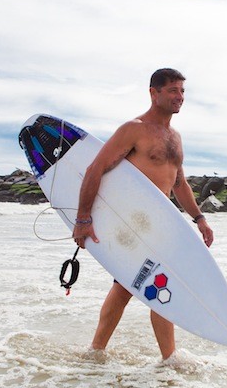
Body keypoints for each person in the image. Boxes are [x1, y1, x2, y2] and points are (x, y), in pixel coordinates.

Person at [72, 68, 213, 360]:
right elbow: (95, 169)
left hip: (159, 225)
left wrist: (199, 218)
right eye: (173, 90)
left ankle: (108, 353)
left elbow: (178, 183)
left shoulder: (175, 137)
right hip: (133, 223)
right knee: (140, 285)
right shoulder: (133, 130)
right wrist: (83, 218)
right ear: (154, 92)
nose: (180, 97)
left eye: (183, 91)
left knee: (144, 286)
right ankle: (153, 357)